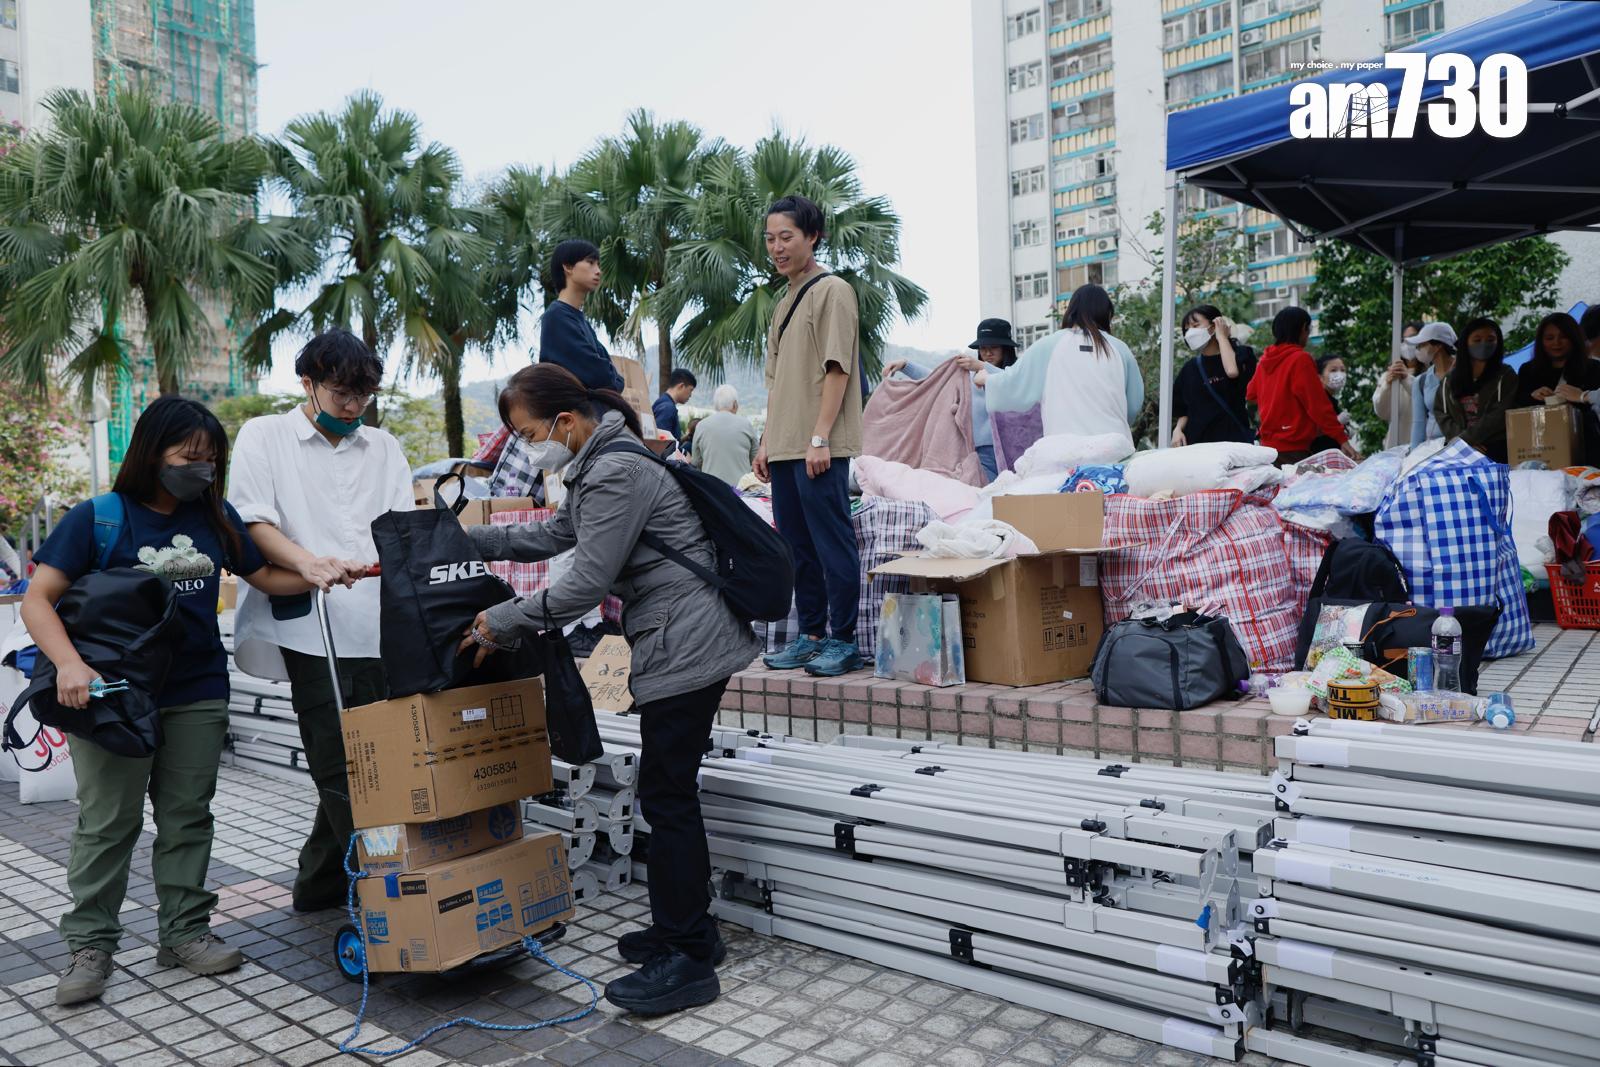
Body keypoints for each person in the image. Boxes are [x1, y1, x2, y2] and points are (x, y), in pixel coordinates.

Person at [460, 363, 758, 1015]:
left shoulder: (615, 470)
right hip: (681, 633)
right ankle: (693, 933)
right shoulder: (604, 460)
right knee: (669, 787)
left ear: (565, 422)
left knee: (667, 793)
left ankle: (688, 958)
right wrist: (463, 536)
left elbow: (581, 585)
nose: (527, 444)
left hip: (688, 639)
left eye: (528, 431)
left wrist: (503, 619)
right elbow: (553, 535)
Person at [25, 398, 337, 1007]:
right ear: (151, 451)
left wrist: (323, 572)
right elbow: (39, 598)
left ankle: (184, 933)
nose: (199, 467)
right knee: (109, 823)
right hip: (113, 695)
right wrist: (69, 663)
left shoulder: (215, 516)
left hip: (197, 691)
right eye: (186, 456)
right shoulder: (99, 518)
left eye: (208, 457)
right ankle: (91, 946)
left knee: (188, 817)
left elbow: (264, 576)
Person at [228, 330, 414, 913]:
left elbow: (403, 531)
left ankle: (317, 886)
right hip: (310, 624)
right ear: (307, 384)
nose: (354, 408)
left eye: (364, 395)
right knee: (338, 757)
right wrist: (310, 563)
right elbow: (252, 522)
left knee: (371, 757)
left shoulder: (383, 447)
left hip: (378, 624)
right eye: (341, 395)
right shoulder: (265, 436)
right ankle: (386, 895)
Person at [754, 194, 865, 678]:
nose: (777, 248)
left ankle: (843, 640)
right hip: (784, 447)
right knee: (797, 547)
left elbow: (837, 370)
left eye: (787, 237)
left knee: (831, 542)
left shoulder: (833, 291)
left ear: (812, 237)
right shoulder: (782, 302)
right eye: (770, 239)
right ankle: (811, 635)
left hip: (818, 445)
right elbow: (777, 383)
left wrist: (820, 437)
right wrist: (765, 441)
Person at [979, 285, 1143, 457]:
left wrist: (987, 379)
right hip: (1115, 451)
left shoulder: (1049, 345)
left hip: (1065, 454)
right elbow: (1133, 405)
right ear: (1107, 314)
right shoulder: (1120, 349)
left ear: (1071, 310)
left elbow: (1013, 382)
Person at [883, 318, 1017, 482]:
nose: (987, 353)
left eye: (994, 347)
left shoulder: (1015, 372)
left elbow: (1013, 383)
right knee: (981, 496)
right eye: (983, 348)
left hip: (1012, 450)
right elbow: (936, 379)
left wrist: (982, 367)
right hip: (976, 452)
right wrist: (906, 365)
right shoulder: (969, 377)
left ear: (1006, 349)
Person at [1247, 307, 1356, 465]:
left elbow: (1251, 394)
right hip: (1294, 448)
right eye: (1309, 329)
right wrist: (1342, 439)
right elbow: (1318, 405)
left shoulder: (1265, 360)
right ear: (1303, 328)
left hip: (1269, 449)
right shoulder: (1300, 359)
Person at [539, 239, 626, 392]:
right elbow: (602, 376)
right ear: (568, 267)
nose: (598, 270)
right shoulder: (557, 316)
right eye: (591, 262)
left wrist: (614, 380)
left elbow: (607, 369)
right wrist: (614, 380)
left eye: (598, 264)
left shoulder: (579, 320)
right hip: (571, 412)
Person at [1435, 317, 1519, 463]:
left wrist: (1465, 441)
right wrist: (1462, 443)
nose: (1484, 344)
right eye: (1477, 340)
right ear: (1466, 342)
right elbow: (1441, 413)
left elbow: (1499, 415)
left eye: (1490, 339)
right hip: (1457, 452)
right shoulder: (1450, 379)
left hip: (1495, 450)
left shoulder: (1506, 375)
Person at [1171, 305, 1256, 446]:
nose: (1190, 332)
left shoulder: (1242, 355)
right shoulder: (1189, 368)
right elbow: (1185, 409)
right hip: (1198, 446)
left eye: (1195, 325)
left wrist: (1221, 336)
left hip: (1233, 445)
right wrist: (1178, 429)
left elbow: (1232, 371)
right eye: (1187, 329)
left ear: (1214, 326)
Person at [1517, 312, 1600, 408]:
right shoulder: (1527, 370)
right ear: (1541, 341)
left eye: (1563, 337)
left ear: (1574, 338)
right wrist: (1532, 396)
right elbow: (1518, 405)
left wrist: (1581, 396)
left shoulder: (1593, 368)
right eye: (1550, 338)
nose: (1556, 342)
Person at [691, 385, 760, 487]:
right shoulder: (746, 425)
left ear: (715, 405)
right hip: (741, 490)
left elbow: (696, 461)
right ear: (735, 404)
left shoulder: (701, 426)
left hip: (711, 489)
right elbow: (756, 459)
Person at [1406, 322, 1457, 448]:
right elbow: (1418, 424)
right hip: (1433, 449)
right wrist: (1413, 456)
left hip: (1461, 447)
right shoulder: (1421, 382)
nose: (1418, 349)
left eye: (1422, 345)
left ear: (1438, 345)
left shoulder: (1465, 374)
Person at [653, 368, 697, 443]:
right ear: (681, 386)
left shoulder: (662, 403)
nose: (690, 395)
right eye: (690, 390)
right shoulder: (667, 408)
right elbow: (661, 443)